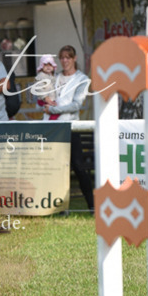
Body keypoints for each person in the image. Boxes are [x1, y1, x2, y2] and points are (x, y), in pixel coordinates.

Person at [43, 44, 94, 211]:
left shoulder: (82, 79)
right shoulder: (54, 77)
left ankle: (92, 205)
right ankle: (57, 208)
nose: (65, 61)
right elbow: (44, 98)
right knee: (55, 168)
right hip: (53, 128)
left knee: (79, 167)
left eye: (68, 57)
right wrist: (44, 101)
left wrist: (53, 109)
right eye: (62, 58)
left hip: (72, 128)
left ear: (74, 58)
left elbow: (76, 105)